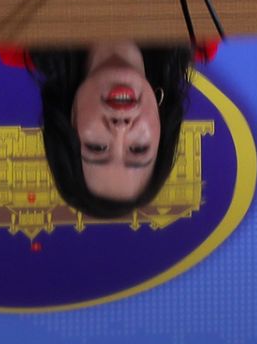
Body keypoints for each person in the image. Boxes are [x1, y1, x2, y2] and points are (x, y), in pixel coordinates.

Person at [16, 43, 194, 217]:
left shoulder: (18, 41)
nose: (120, 128)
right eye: (138, 149)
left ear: (67, 124)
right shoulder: (197, 37)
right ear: (162, 126)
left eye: (97, 147)